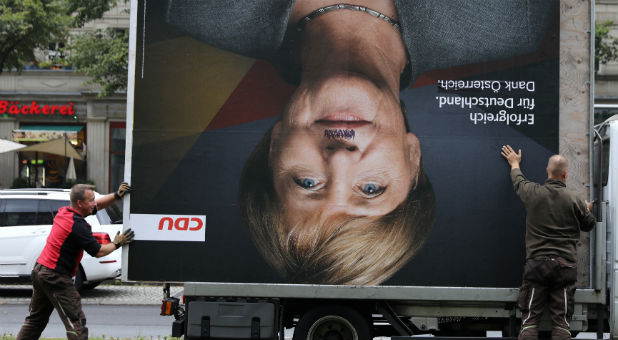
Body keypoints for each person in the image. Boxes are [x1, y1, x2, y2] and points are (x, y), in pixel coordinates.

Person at [165, 0, 555, 285]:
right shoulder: (510, 21)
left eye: (307, 184)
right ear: (412, 157)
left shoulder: (203, 10)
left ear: (274, 145)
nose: (340, 158)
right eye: (370, 189)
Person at [16, 183, 135, 340]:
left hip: (40, 271)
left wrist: (116, 195)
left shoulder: (64, 212)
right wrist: (117, 243)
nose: (95, 203)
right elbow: (98, 252)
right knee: (76, 322)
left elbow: (96, 206)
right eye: (91, 200)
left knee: (35, 320)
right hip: (55, 277)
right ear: (80, 203)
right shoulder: (77, 225)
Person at [500, 145, 596, 340]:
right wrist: (586, 209)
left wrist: (515, 163)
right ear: (566, 174)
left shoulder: (533, 192)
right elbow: (589, 225)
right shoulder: (575, 200)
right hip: (565, 267)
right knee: (561, 325)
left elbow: (519, 181)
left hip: (537, 265)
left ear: (547, 171)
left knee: (529, 323)